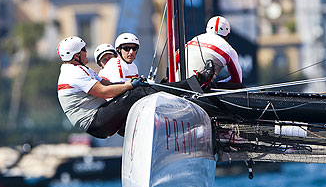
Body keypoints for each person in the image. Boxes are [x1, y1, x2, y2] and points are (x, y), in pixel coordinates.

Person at [56, 36, 215, 138]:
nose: (86, 52)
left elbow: (108, 84)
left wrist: (134, 85)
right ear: (75, 55)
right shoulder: (73, 73)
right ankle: (195, 81)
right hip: (96, 122)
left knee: (137, 92)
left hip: (100, 119)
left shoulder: (80, 69)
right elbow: (104, 92)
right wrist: (130, 85)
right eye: (83, 50)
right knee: (136, 93)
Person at [180, 16, 243, 87]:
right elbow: (237, 80)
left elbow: (176, 56)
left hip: (176, 84)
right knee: (239, 87)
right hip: (198, 88)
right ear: (227, 35)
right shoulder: (229, 49)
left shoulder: (195, 39)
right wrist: (215, 85)